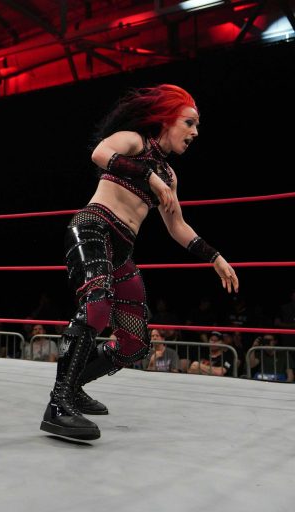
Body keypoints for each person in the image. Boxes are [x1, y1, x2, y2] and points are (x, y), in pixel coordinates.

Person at [40, 84, 239, 441]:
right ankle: (58, 403)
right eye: (189, 123)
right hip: (94, 227)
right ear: (166, 120)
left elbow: (177, 227)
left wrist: (215, 257)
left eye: (197, 125)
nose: (195, 131)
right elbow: (100, 153)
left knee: (134, 342)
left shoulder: (170, 176)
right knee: (97, 306)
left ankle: (74, 386)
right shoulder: (134, 141)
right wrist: (148, 176)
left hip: (122, 251)